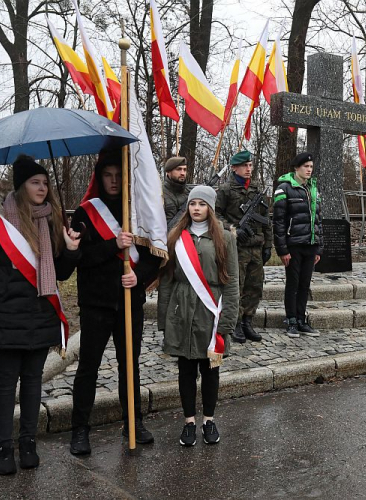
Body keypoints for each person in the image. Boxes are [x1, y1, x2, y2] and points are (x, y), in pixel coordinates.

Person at [0, 155, 81, 475]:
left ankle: (28, 442)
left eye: (45, 182)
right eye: (35, 182)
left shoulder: (50, 221)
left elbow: (60, 273)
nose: (42, 188)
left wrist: (71, 248)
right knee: (6, 384)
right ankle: (4, 447)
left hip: (40, 314)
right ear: (21, 187)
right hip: (5, 315)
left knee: (32, 383)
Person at [68, 151, 162, 456]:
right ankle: (80, 429)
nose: (113, 181)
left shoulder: (136, 213)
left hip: (129, 300)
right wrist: (114, 246)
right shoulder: (85, 213)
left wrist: (140, 278)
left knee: (129, 366)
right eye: (107, 175)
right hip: (97, 302)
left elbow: (152, 256)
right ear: (99, 177)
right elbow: (82, 258)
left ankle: (133, 422)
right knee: (89, 367)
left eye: (118, 176)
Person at [158, 186, 239, 446]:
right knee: (185, 370)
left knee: (210, 369)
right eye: (192, 203)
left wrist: (227, 321)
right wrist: (165, 319)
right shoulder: (176, 237)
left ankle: (209, 420)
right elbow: (167, 281)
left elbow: (232, 281)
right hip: (181, 309)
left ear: (210, 208)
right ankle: (189, 422)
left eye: (202, 204)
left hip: (210, 309)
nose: (196, 208)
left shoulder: (225, 238)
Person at [215, 150, 272, 344]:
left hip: (256, 247)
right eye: (244, 166)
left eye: (250, 165)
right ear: (234, 168)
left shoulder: (256, 189)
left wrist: (268, 246)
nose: (248, 169)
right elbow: (215, 216)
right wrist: (233, 230)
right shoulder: (225, 190)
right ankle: (236, 323)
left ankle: (248, 321)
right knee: (236, 287)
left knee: (254, 286)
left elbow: (266, 220)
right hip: (236, 247)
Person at [272, 152, 323, 338]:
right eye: (305, 167)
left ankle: (301, 320)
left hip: (310, 245)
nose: (309, 170)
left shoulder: (314, 189)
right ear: (296, 168)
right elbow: (278, 222)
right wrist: (282, 249)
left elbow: (318, 220)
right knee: (292, 284)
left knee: (304, 284)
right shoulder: (284, 188)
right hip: (293, 244)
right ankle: (291, 320)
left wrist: (318, 246)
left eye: (311, 167)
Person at [163, 156, 191, 225]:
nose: (182, 173)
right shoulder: (159, 193)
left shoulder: (190, 193)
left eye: (184, 170)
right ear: (168, 171)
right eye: (179, 169)